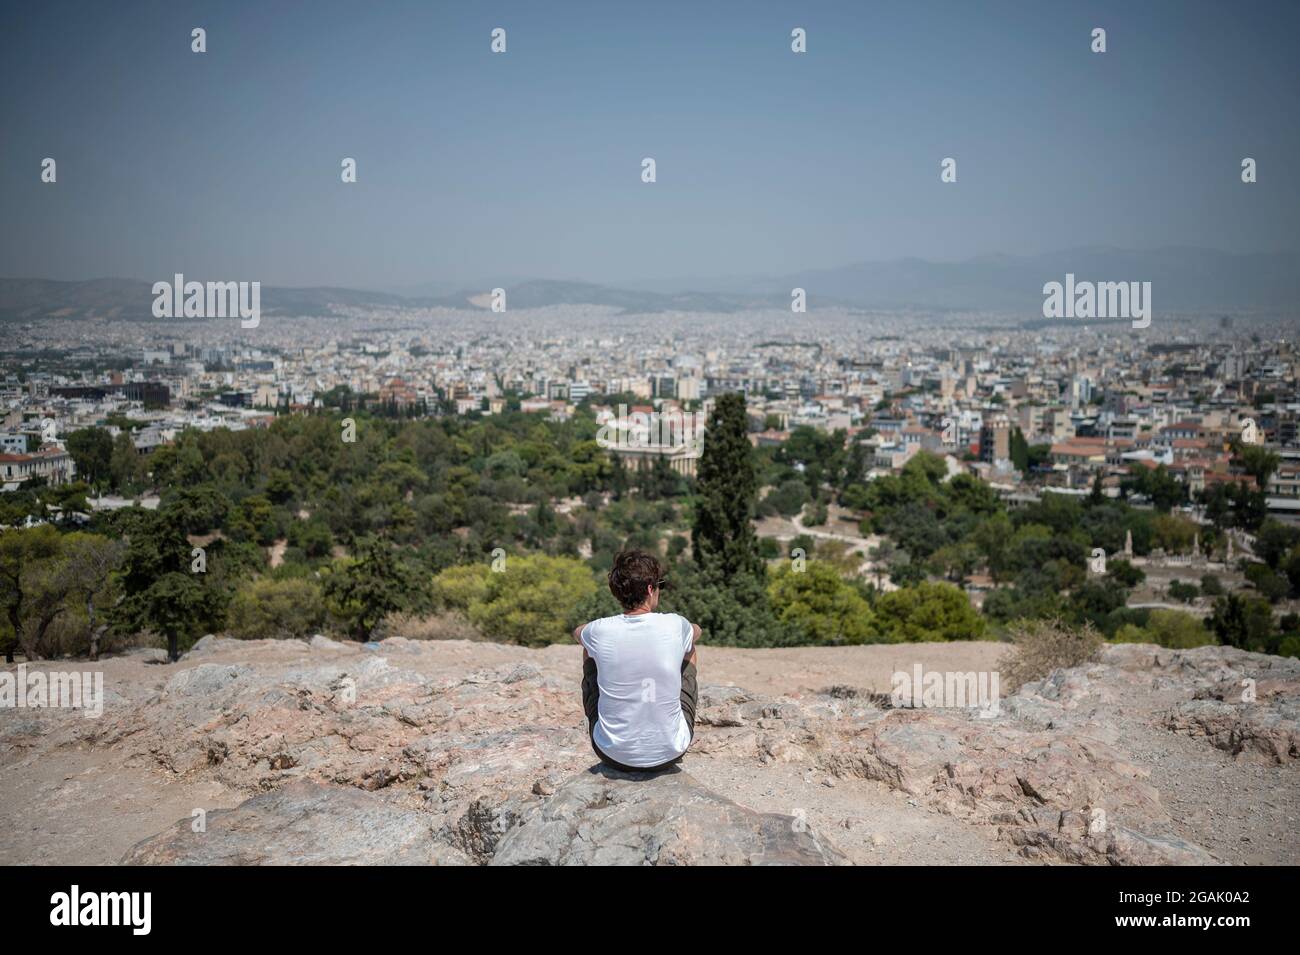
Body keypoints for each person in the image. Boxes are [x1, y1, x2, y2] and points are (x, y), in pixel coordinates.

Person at [572, 550, 700, 772]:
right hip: (671, 751)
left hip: (612, 753)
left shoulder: (599, 630)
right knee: (690, 648)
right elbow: (697, 631)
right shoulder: (675, 624)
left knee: (589, 651)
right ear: (650, 589)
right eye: (660, 585)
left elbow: (577, 633)